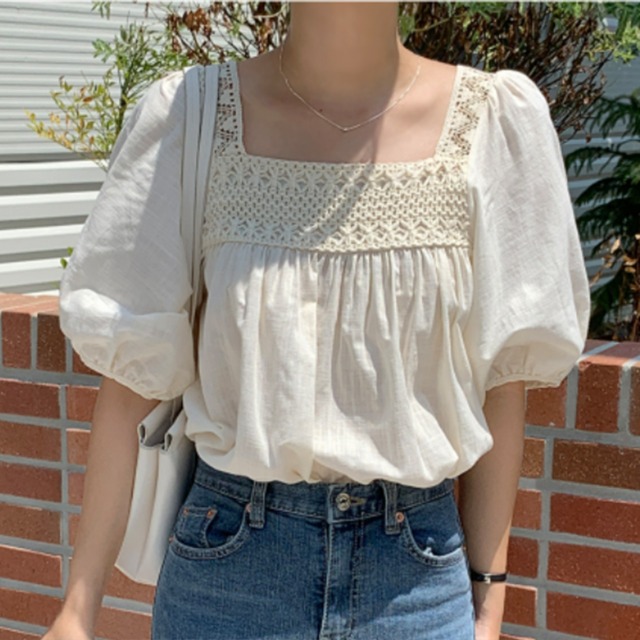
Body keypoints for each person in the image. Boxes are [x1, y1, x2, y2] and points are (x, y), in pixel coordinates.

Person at [44, 2, 591, 639]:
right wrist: (77, 611)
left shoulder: (495, 124)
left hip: (416, 585)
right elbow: (131, 380)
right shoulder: (190, 118)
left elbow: (502, 382)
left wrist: (489, 605)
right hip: (228, 578)